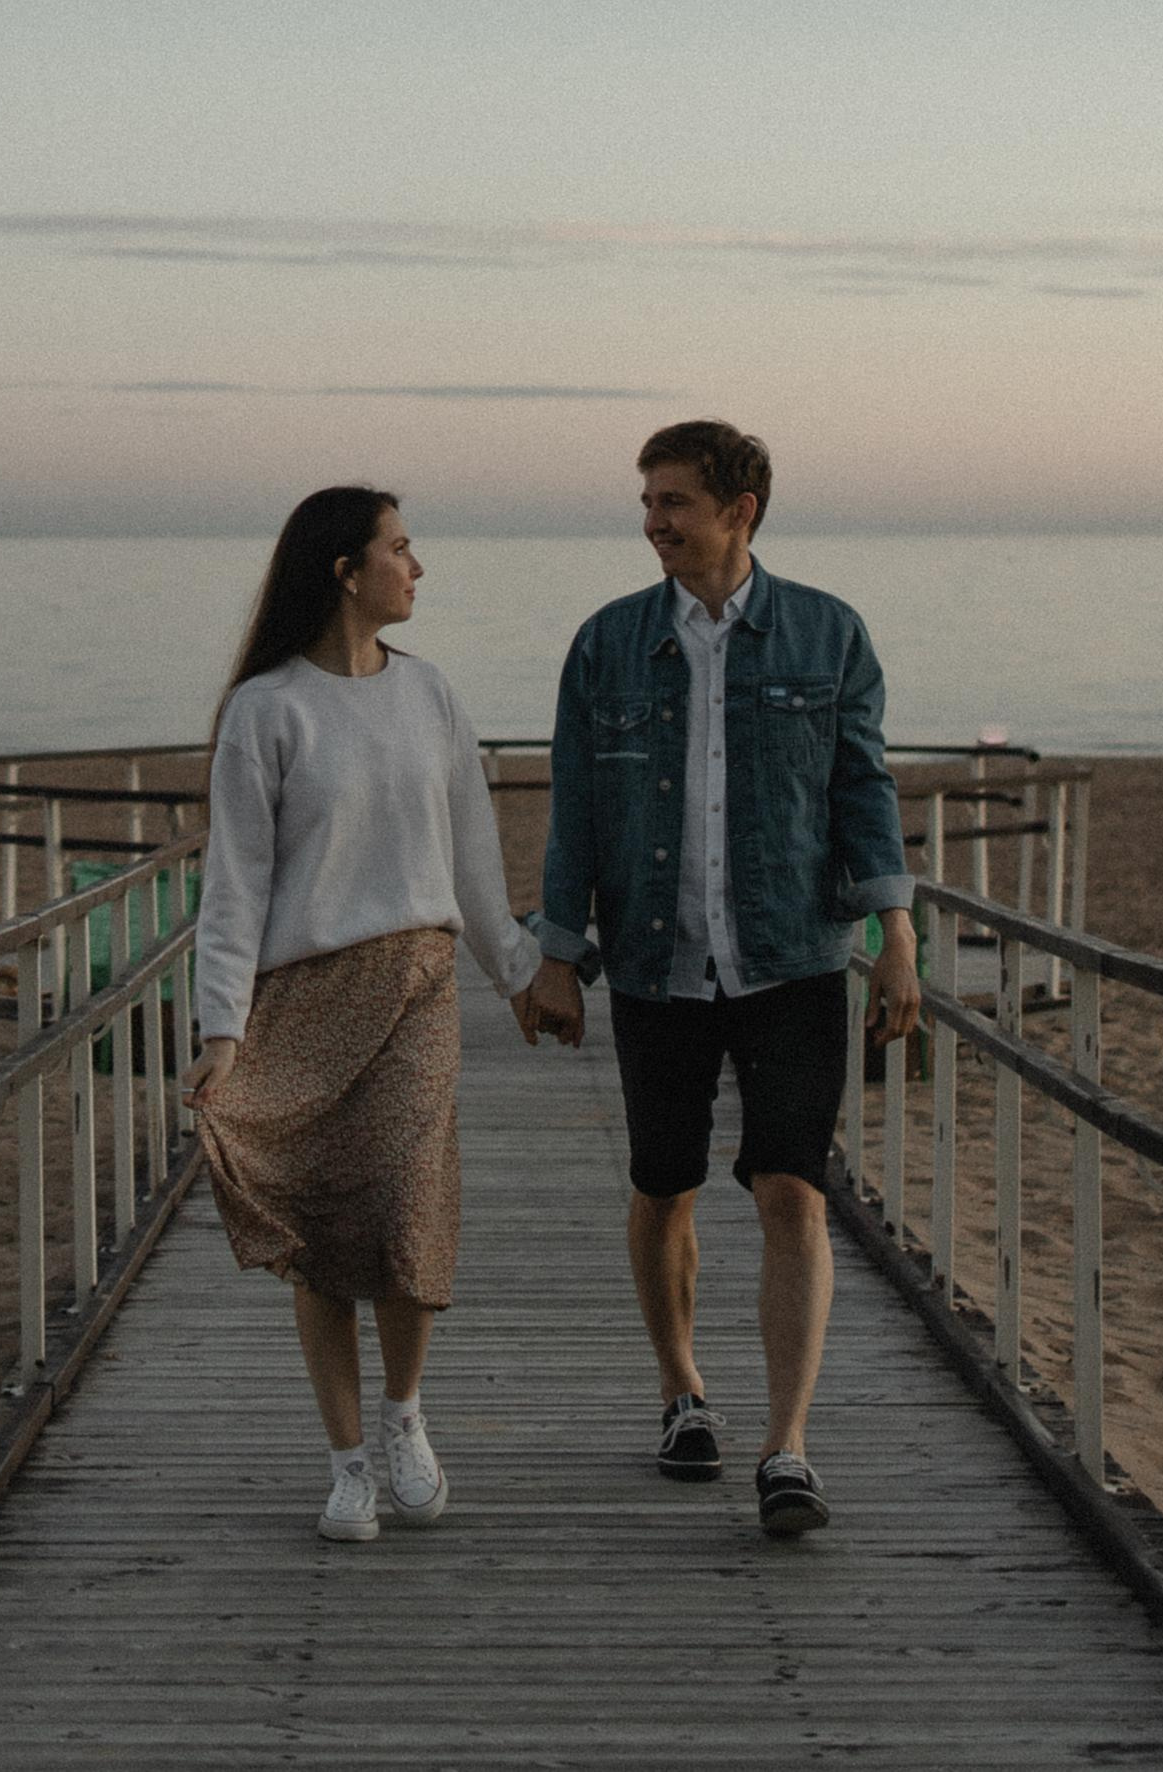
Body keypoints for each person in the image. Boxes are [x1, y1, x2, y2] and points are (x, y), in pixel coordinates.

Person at [525, 420, 920, 1538]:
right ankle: (680, 1389)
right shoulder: (604, 645)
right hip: (653, 962)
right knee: (663, 1184)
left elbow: (862, 788)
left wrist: (896, 931)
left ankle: (786, 1445)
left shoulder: (826, 633)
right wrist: (557, 951)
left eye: (672, 501)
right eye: (646, 501)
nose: (652, 520)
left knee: (791, 1186)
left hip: (793, 955)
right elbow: (577, 812)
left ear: (737, 508)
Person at [185, 487, 544, 1542]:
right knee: (322, 1228)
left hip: (418, 987)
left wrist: (518, 974)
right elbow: (234, 884)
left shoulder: (429, 696)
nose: (415, 566)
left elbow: (473, 857)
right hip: (302, 996)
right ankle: (346, 1461)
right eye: (399, 547)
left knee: (403, 1205)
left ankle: (404, 1416)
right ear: (345, 570)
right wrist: (221, 1031)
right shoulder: (266, 708)